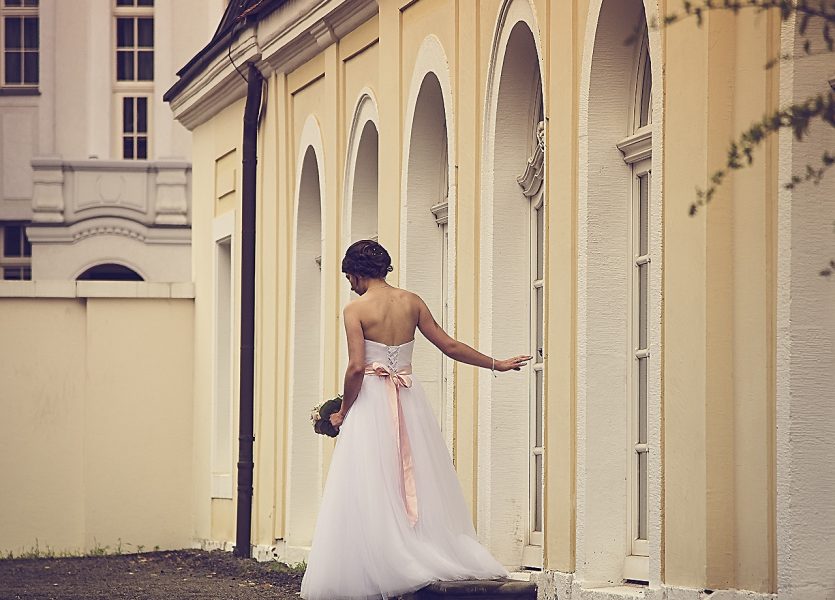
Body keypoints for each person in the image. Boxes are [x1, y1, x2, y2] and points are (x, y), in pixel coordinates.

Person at [300, 239, 531, 600]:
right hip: (409, 400)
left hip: (373, 400)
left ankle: (383, 562)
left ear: (357, 274)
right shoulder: (411, 301)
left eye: (349, 277)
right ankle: (419, 546)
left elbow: (357, 366)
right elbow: (450, 346)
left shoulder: (355, 309)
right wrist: (496, 363)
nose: (350, 285)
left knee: (368, 479)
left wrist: (343, 410)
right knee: (416, 475)